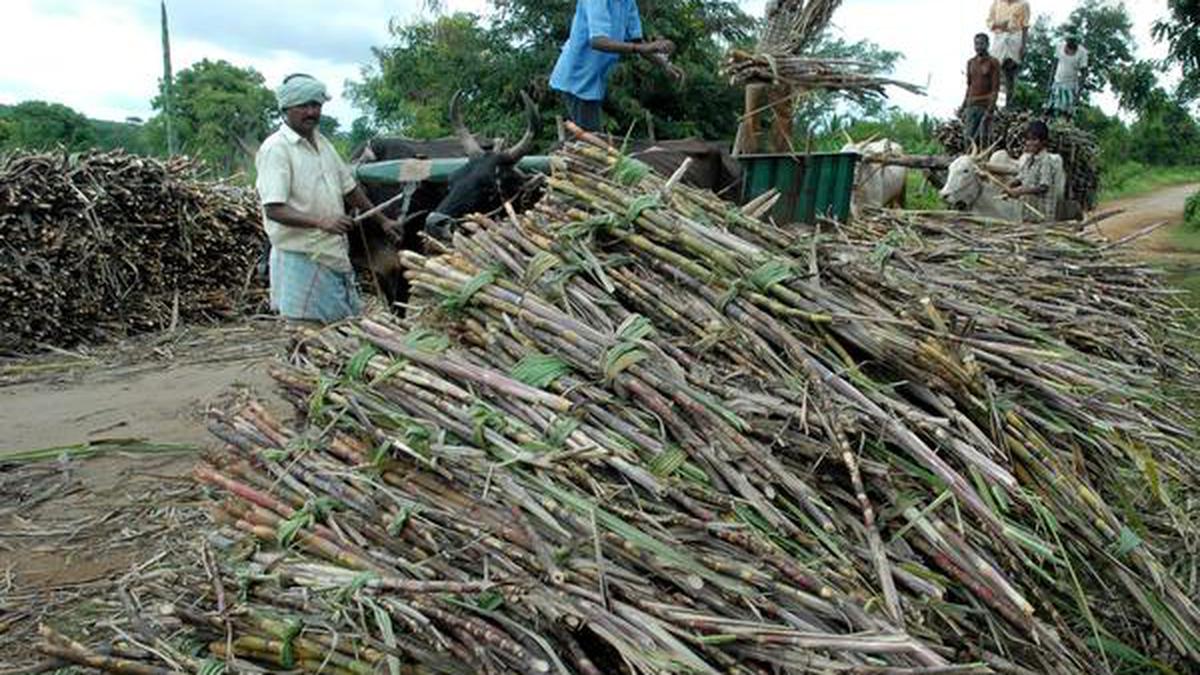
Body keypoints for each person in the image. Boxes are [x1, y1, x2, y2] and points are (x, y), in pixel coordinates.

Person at [255, 73, 400, 324]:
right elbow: (274, 209)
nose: (312, 112)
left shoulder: (323, 143)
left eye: (316, 105)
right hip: (301, 256)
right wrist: (322, 221)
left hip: (332, 253)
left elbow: (350, 188)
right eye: (304, 106)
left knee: (340, 327)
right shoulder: (276, 149)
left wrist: (382, 221)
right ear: (286, 109)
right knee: (307, 330)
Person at [549, 0, 683, 132]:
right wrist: (640, 48)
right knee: (591, 139)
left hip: (594, 80)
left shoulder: (628, 2)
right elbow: (598, 41)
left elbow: (638, 41)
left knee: (590, 138)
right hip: (577, 78)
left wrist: (665, 64)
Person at [1005, 120, 1064, 223]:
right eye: (1028, 139)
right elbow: (1021, 177)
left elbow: (1043, 187)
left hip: (1041, 216)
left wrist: (1020, 191)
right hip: (1028, 215)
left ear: (1044, 141)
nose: (1030, 143)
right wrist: (1009, 185)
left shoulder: (1046, 161)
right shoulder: (1029, 160)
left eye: (1034, 139)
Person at [960, 33, 1002, 149]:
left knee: (983, 139)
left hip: (985, 106)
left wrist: (990, 110)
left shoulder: (993, 62)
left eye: (981, 44)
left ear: (987, 45)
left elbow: (995, 89)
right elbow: (969, 86)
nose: (978, 47)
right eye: (976, 44)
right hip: (971, 105)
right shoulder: (971, 63)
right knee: (968, 137)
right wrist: (963, 106)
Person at [987, 0, 1031, 106]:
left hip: (1014, 38)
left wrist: (1023, 47)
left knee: (1010, 73)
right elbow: (989, 22)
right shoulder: (997, 3)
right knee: (994, 71)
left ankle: (1008, 103)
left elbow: (1025, 27)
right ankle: (991, 103)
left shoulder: (1024, 4)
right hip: (999, 39)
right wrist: (999, 24)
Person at [1047, 36, 1088, 119]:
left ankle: (1062, 125)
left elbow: (1084, 73)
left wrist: (1079, 93)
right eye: (1069, 41)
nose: (1071, 43)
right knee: (1052, 108)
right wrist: (1050, 82)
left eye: (1073, 41)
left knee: (1065, 111)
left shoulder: (1082, 53)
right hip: (1057, 82)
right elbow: (1054, 65)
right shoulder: (1060, 47)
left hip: (1070, 85)